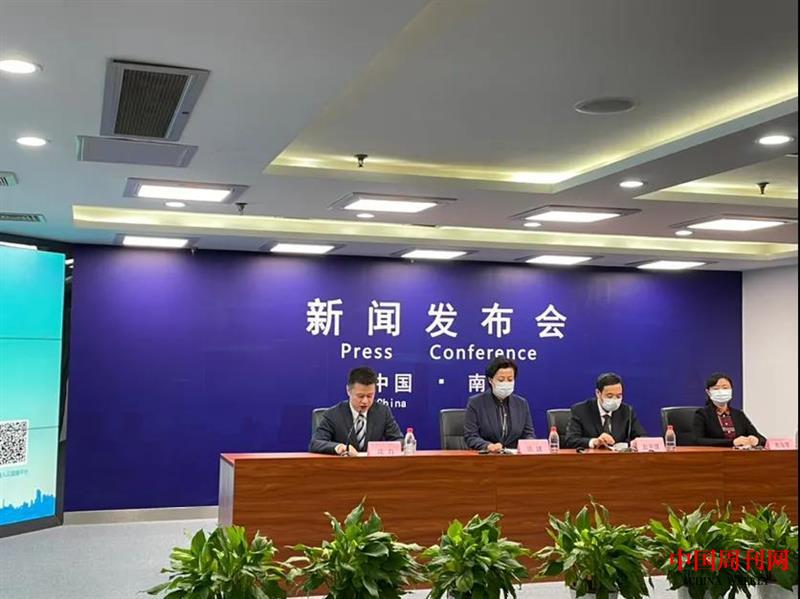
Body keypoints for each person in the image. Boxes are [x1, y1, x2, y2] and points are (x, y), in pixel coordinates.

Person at [309, 366, 403, 455]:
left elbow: (399, 440)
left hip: (373, 465)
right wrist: (339, 447)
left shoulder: (383, 412)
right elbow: (315, 443)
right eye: (360, 396)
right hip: (344, 465)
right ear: (348, 391)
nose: (365, 401)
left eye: (370, 396)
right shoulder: (333, 414)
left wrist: (382, 449)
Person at [463, 356, 535, 452]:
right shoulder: (476, 403)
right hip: (488, 457)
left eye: (510, 379)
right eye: (501, 380)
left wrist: (529, 444)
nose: (506, 383)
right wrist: (488, 446)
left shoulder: (521, 404)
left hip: (515, 458)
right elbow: (471, 436)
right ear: (490, 380)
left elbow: (528, 434)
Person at [565, 372, 646, 449]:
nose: (614, 400)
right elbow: (570, 440)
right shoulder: (580, 410)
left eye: (618, 396)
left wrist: (632, 443)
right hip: (591, 457)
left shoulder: (627, 411)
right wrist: (594, 442)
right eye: (609, 396)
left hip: (619, 457)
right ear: (598, 393)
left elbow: (642, 437)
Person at [692, 372, 766, 448]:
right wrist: (732, 442)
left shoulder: (739, 415)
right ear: (708, 392)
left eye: (725, 388)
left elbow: (762, 438)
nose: (721, 391)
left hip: (739, 454)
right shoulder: (702, 414)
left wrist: (756, 440)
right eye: (716, 388)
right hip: (715, 454)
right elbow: (697, 440)